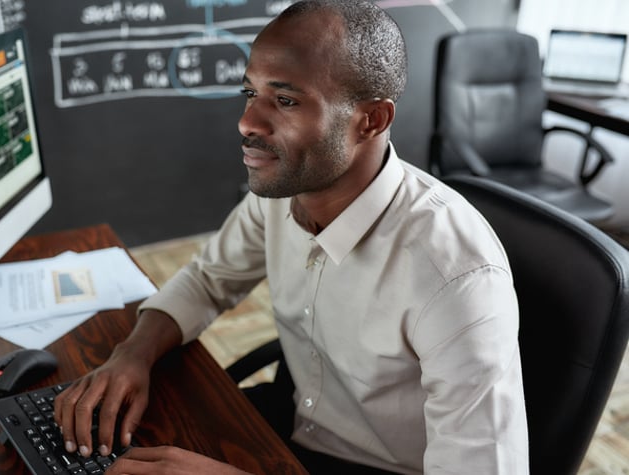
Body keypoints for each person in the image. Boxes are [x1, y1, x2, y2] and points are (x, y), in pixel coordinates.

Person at [54, 1, 530, 473]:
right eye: (250, 93)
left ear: (372, 120)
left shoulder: (456, 277)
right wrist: (131, 355)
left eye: (285, 101)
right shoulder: (287, 193)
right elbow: (207, 279)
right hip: (295, 420)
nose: (247, 123)